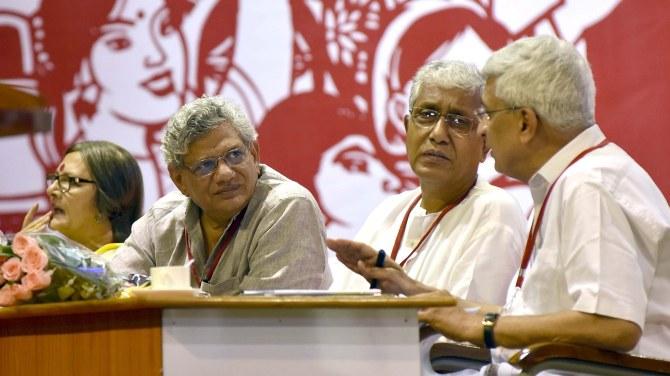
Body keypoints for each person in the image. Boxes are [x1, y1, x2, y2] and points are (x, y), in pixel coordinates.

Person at [336, 35, 670, 373]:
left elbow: (614, 325)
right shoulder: (573, 179)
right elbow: (534, 319)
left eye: (488, 114)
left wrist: (484, 329)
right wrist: (416, 291)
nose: (483, 128)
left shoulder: (590, 185)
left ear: (525, 123)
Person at [330, 60, 526, 308]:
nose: (438, 134)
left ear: (485, 143)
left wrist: (406, 288)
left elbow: (469, 333)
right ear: (406, 128)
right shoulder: (388, 210)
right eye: (427, 115)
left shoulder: (494, 210)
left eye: (458, 122)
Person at [110, 96, 331, 295]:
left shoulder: (287, 206)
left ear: (254, 154)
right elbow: (111, 287)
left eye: (235, 154)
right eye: (205, 165)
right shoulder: (162, 217)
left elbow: (269, 322)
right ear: (179, 179)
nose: (225, 174)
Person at [22, 141, 144, 253]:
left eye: (71, 181)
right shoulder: (51, 264)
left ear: (111, 201)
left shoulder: (132, 269)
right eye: (56, 178)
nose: (50, 190)